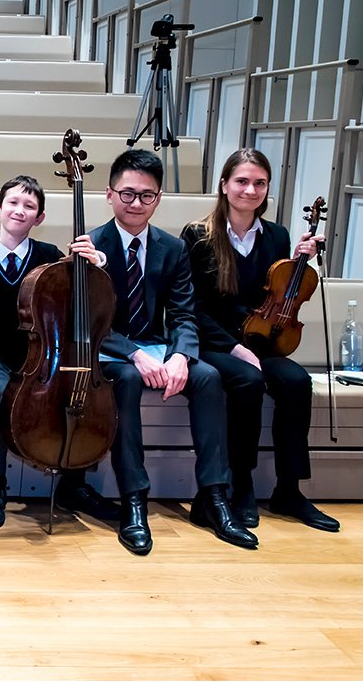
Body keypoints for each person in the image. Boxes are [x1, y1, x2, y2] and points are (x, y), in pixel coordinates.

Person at [90, 149, 256, 555]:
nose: (135, 204)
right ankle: (134, 500)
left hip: (159, 347)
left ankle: (215, 497)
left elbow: (183, 313)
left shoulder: (172, 247)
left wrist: (180, 356)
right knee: (126, 381)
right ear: (109, 194)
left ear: (158, 198)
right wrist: (133, 354)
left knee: (208, 377)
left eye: (146, 195)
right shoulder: (90, 244)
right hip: (111, 352)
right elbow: (88, 324)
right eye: (127, 194)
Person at [180, 148, 339, 532]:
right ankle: (242, 484)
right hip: (214, 341)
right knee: (247, 381)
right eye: (242, 181)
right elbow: (191, 307)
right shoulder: (198, 236)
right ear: (224, 185)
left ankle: (289, 489)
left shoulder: (277, 236)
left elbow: (278, 296)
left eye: (259, 183)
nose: (250, 190)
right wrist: (235, 347)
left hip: (262, 339)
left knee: (298, 382)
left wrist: (301, 263)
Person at [0, 175, 105, 529]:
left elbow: (79, 297)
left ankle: (67, 477)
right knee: (0, 394)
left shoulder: (49, 256)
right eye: (14, 203)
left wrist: (94, 263)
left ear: (40, 218)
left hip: (39, 357)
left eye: (30, 206)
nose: (20, 211)